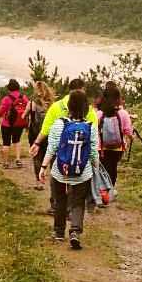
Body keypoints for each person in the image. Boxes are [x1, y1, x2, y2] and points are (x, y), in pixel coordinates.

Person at [39, 90, 99, 249]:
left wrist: (43, 167)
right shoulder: (90, 127)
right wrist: (96, 168)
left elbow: (51, 148)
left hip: (60, 171)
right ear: (86, 107)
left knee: (60, 200)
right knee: (78, 202)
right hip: (82, 172)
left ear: (69, 106)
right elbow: (93, 152)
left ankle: (59, 233)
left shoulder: (60, 124)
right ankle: (75, 231)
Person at [30, 78, 98, 214]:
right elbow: (93, 132)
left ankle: (56, 206)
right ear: (82, 89)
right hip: (79, 152)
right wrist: (95, 155)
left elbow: (46, 128)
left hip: (59, 151)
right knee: (75, 180)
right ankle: (70, 209)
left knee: (57, 178)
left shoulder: (56, 106)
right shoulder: (89, 110)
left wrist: (37, 143)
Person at [96, 82, 133, 186]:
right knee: (113, 167)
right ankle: (110, 188)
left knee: (104, 167)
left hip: (102, 147)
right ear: (118, 98)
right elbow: (128, 131)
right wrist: (131, 137)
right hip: (118, 148)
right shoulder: (123, 113)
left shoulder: (99, 114)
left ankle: (102, 188)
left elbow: (94, 131)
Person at [0, 79, 29, 169]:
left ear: (9, 88)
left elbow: (0, 111)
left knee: (6, 143)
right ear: (18, 87)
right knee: (17, 141)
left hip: (7, 124)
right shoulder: (23, 97)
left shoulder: (6, 99)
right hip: (19, 124)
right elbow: (28, 109)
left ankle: (6, 163)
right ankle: (18, 160)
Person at [27, 81, 55, 191]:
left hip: (35, 134)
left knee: (37, 157)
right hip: (49, 134)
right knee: (49, 156)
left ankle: (39, 182)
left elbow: (24, 114)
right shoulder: (52, 104)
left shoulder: (32, 103)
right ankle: (52, 179)